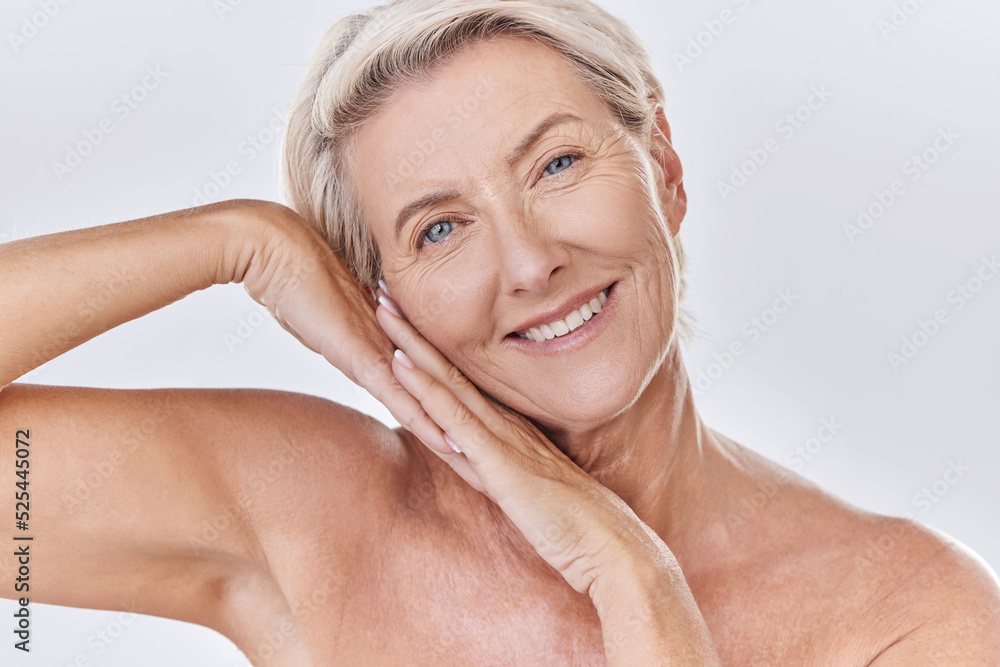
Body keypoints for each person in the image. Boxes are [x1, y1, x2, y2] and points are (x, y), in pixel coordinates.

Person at [2, 0, 998, 664]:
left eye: (555, 165)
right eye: (438, 228)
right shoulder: (313, 510)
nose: (527, 263)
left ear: (666, 167)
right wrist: (239, 241)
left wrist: (635, 578)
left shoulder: (908, 615)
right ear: (376, 290)